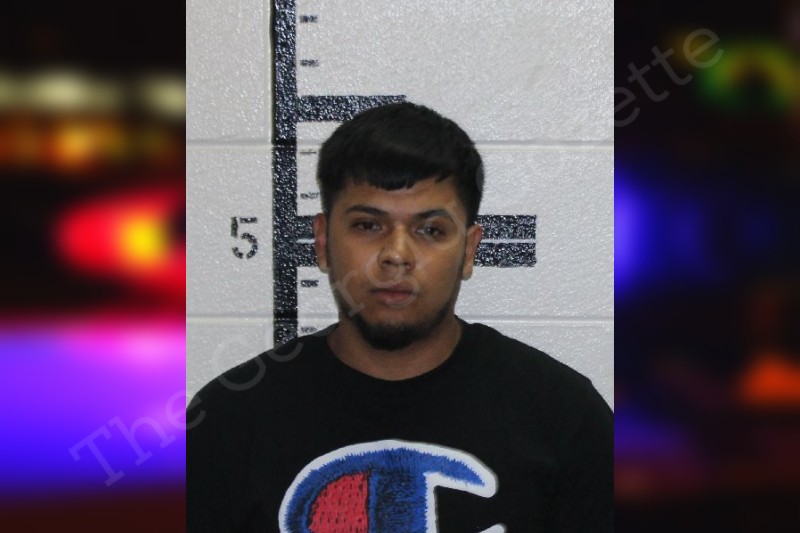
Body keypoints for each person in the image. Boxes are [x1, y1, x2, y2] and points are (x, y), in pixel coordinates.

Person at [187, 102, 613, 532]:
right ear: (322, 241)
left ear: (468, 250)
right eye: (368, 225)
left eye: (430, 230)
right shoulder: (227, 422)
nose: (396, 255)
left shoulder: (564, 419)